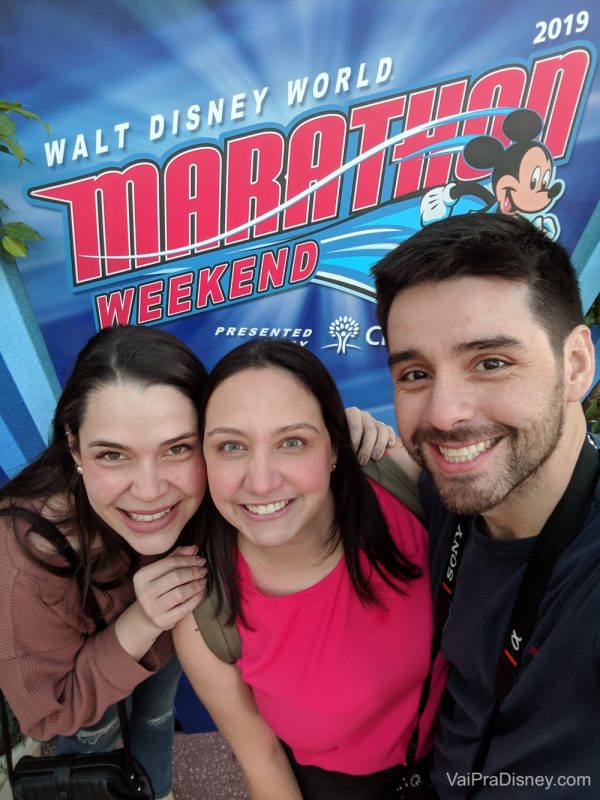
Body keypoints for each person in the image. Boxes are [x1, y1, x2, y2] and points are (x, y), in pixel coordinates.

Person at [0, 324, 391, 799]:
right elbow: (52, 711)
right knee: (93, 744)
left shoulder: (226, 485)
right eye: (112, 455)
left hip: (169, 643)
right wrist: (141, 622)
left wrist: (331, 436)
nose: (149, 490)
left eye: (178, 448)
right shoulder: (24, 557)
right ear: (74, 445)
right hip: (93, 676)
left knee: (156, 718)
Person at [371, 212, 598, 798]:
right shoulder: (450, 495)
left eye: (490, 363)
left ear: (575, 364)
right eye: (416, 373)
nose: (445, 414)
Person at [174, 339, 447, 800]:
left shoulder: (402, 483)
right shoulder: (204, 614)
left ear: (335, 447)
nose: (261, 481)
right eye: (231, 446)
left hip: (473, 757)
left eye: (293, 441)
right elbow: (263, 762)